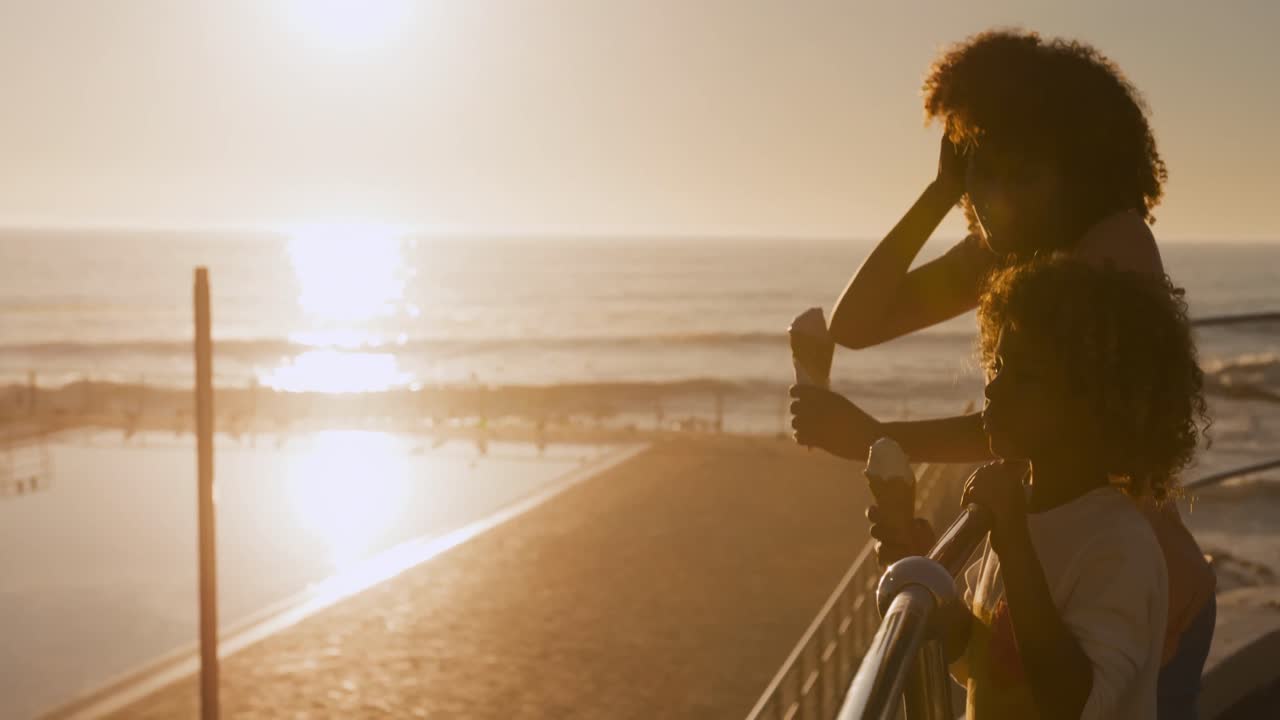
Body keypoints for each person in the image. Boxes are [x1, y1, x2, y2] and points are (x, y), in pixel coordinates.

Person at [788, 30, 1216, 717]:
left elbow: (1057, 423)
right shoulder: (1000, 249)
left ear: (1080, 169)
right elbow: (856, 325)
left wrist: (875, 432)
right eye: (983, 169)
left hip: (1140, 586)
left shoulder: (1110, 247)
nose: (997, 196)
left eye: (1025, 173)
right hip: (1044, 568)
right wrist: (937, 193)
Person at [941, 256, 1205, 719]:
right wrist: (923, 574)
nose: (993, 388)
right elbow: (984, 662)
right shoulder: (1018, 510)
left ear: (1095, 408)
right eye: (999, 365)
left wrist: (1015, 544)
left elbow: (1074, 705)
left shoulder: (1120, 545)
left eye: (1025, 377)